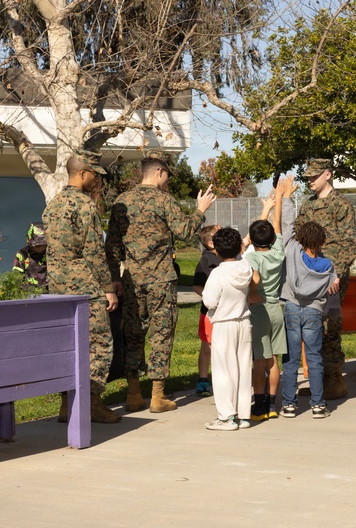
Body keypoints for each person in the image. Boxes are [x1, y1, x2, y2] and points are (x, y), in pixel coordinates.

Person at [106, 156, 216, 413]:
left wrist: (113, 279)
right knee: (161, 335)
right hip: (161, 280)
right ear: (158, 172)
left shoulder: (121, 201)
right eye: (167, 176)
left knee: (133, 335)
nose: (167, 182)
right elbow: (186, 232)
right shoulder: (163, 200)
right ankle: (157, 396)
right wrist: (200, 209)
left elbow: (111, 245)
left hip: (131, 281)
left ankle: (133, 394)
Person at [43, 152, 122, 424]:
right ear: (83, 173)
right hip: (85, 285)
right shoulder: (84, 206)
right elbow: (93, 252)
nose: (96, 180)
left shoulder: (53, 205)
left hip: (57, 286)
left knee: (69, 345)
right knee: (99, 344)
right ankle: (91, 403)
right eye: (94, 174)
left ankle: (67, 404)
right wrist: (107, 287)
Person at [295, 158, 356, 401]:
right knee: (312, 327)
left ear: (328, 174)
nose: (310, 180)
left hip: (331, 278)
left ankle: (335, 379)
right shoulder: (308, 206)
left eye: (314, 176)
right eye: (308, 176)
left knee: (330, 327)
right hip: (309, 276)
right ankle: (319, 380)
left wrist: (335, 275)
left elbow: (349, 244)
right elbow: (297, 236)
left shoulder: (341, 206)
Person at [280, 221, 340, 419]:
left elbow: (287, 227)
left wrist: (286, 197)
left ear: (300, 239)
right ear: (322, 241)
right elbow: (334, 288)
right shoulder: (328, 266)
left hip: (292, 308)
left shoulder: (292, 253)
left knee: (291, 359)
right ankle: (318, 406)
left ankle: (289, 404)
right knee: (314, 358)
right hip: (314, 312)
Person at [246, 175, 294, 421]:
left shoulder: (252, 257)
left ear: (253, 241)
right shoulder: (278, 250)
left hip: (260, 310)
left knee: (259, 361)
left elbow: (253, 276)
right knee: (274, 359)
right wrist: (278, 198)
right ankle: (274, 404)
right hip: (277, 309)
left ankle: (259, 405)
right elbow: (277, 226)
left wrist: (253, 293)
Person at [201, 227, 254, 430]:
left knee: (223, 371)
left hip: (224, 324)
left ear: (217, 250)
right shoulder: (245, 267)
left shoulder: (217, 273)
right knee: (242, 368)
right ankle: (243, 415)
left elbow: (209, 301)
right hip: (243, 321)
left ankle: (227, 417)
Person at [193, 224, 222, 397]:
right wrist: (210, 297)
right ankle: (203, 379)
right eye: (219, 234)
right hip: (209, 312)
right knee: (207, 347)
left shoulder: (229, 257)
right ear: (211, 243)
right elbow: (196, 286)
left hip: (226, 312)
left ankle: (221, 378)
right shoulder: (206, 260)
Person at [11, 222, 48, 289]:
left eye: (44, 245)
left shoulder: (50, 253)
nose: (41, 248)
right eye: (38, 245)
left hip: (48, 291)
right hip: (29, 291)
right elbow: (16, 275)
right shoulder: (23, 253)